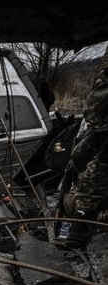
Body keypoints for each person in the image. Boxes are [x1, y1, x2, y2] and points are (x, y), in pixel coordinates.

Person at [60, 42, 108, 248]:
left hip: (101, 132)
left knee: (92, 178)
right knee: (83, 164)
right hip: (101, 131)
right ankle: (80, 227)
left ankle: (78, 231)